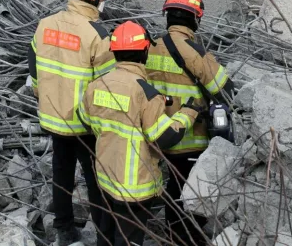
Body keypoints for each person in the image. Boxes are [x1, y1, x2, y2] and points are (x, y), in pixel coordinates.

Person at [79, 21, 206, 246]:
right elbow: (165, 137)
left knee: (106, 235)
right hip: (134, 188)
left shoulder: (96, 85)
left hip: (106, 179)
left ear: (114, 51)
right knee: (129, 239)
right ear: (145, 50)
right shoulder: (145, 93)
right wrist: (188, 112)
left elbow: (85, 119)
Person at [28, 0, 117, 246]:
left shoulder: (45, 24)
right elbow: (108, 88)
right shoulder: (98, 36)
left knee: (61, 171)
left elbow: (34, 70)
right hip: (85, 124)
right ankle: (104, 236)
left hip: (53, 116)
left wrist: (43, 96)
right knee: (96, 180)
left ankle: (64, 229)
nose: (105, 1)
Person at [146, 0, 235, 246]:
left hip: (159, 132)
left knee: (172, 187)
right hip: (191, 135)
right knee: (192, 193)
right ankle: (186, 238)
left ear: (167, 16)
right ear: (195, 19)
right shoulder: (193, 51)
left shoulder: (149, 47)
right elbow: (225, 89)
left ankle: (172, 235)